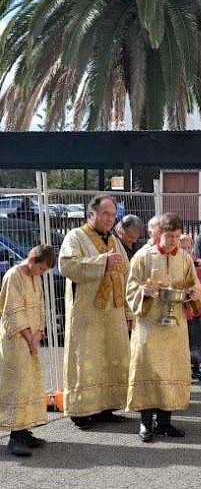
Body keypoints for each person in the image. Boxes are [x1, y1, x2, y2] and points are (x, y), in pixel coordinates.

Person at [126, 213, 201, 443]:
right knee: (149, 369)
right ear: (160, 233)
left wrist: (192, 295)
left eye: (177, 237)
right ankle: (145, 423)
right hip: (149, 324)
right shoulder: (143, 257)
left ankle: (165, 422)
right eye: (169, 236)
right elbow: (130, 289)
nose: (173, 242)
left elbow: (195, 288)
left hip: (174, 326)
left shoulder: (185, 258)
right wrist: (143, 292)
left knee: (170, 369)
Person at [59, 195, 130, 430]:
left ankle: (105, 406)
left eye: (113, 215)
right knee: (86, 359)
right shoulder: (75, 236)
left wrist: (128, 311)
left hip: (113, 311)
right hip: (86, 313)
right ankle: (80, 411)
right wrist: (102, 263)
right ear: (92, 215)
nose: (110, 219)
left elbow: (126, 271)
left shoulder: (114, 240)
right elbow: (67, 266)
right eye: (105, 214)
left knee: (110, 356)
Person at [0, 245, 56, 456]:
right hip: (16, 339)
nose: (42, 274)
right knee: (17, 384)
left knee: (29, 384)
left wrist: (39, 332)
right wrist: (28, 337)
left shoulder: (35, 277)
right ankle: (14, 436)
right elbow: (12, 310)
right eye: (41, 269)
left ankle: (24, 431)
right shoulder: (14, 276)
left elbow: (41, 306)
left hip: (30, 338)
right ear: (32, 260)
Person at [179, 235, 201, 382]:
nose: (187, 250)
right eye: (183, 247)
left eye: (189, 247)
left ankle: (197, 368)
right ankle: (184, 370)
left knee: (200, 339)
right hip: (185, 308)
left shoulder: (199, 263)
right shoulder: (177, 264)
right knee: (187, 340)